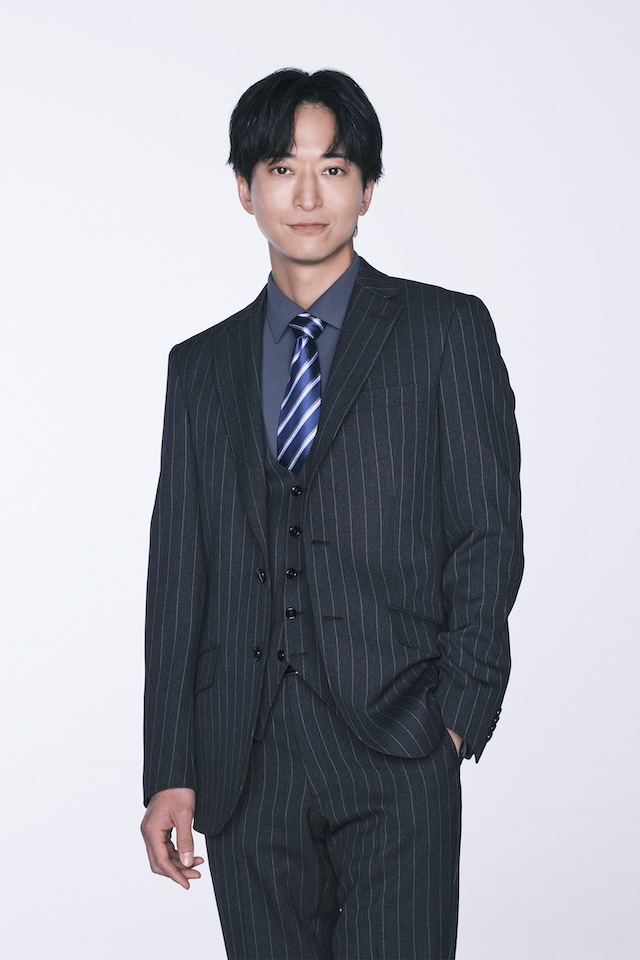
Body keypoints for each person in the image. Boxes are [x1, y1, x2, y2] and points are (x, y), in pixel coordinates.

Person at [141, 67, 523, 960]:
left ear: (368, 188)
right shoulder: (199, 367)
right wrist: (170, 769)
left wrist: (455, 716)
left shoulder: (445, 331)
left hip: (399, 743)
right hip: (245, 761)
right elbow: (179, 575)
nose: (308, 196)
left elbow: (488, 533)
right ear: (246, 189)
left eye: (335, 169)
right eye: (283, 168)